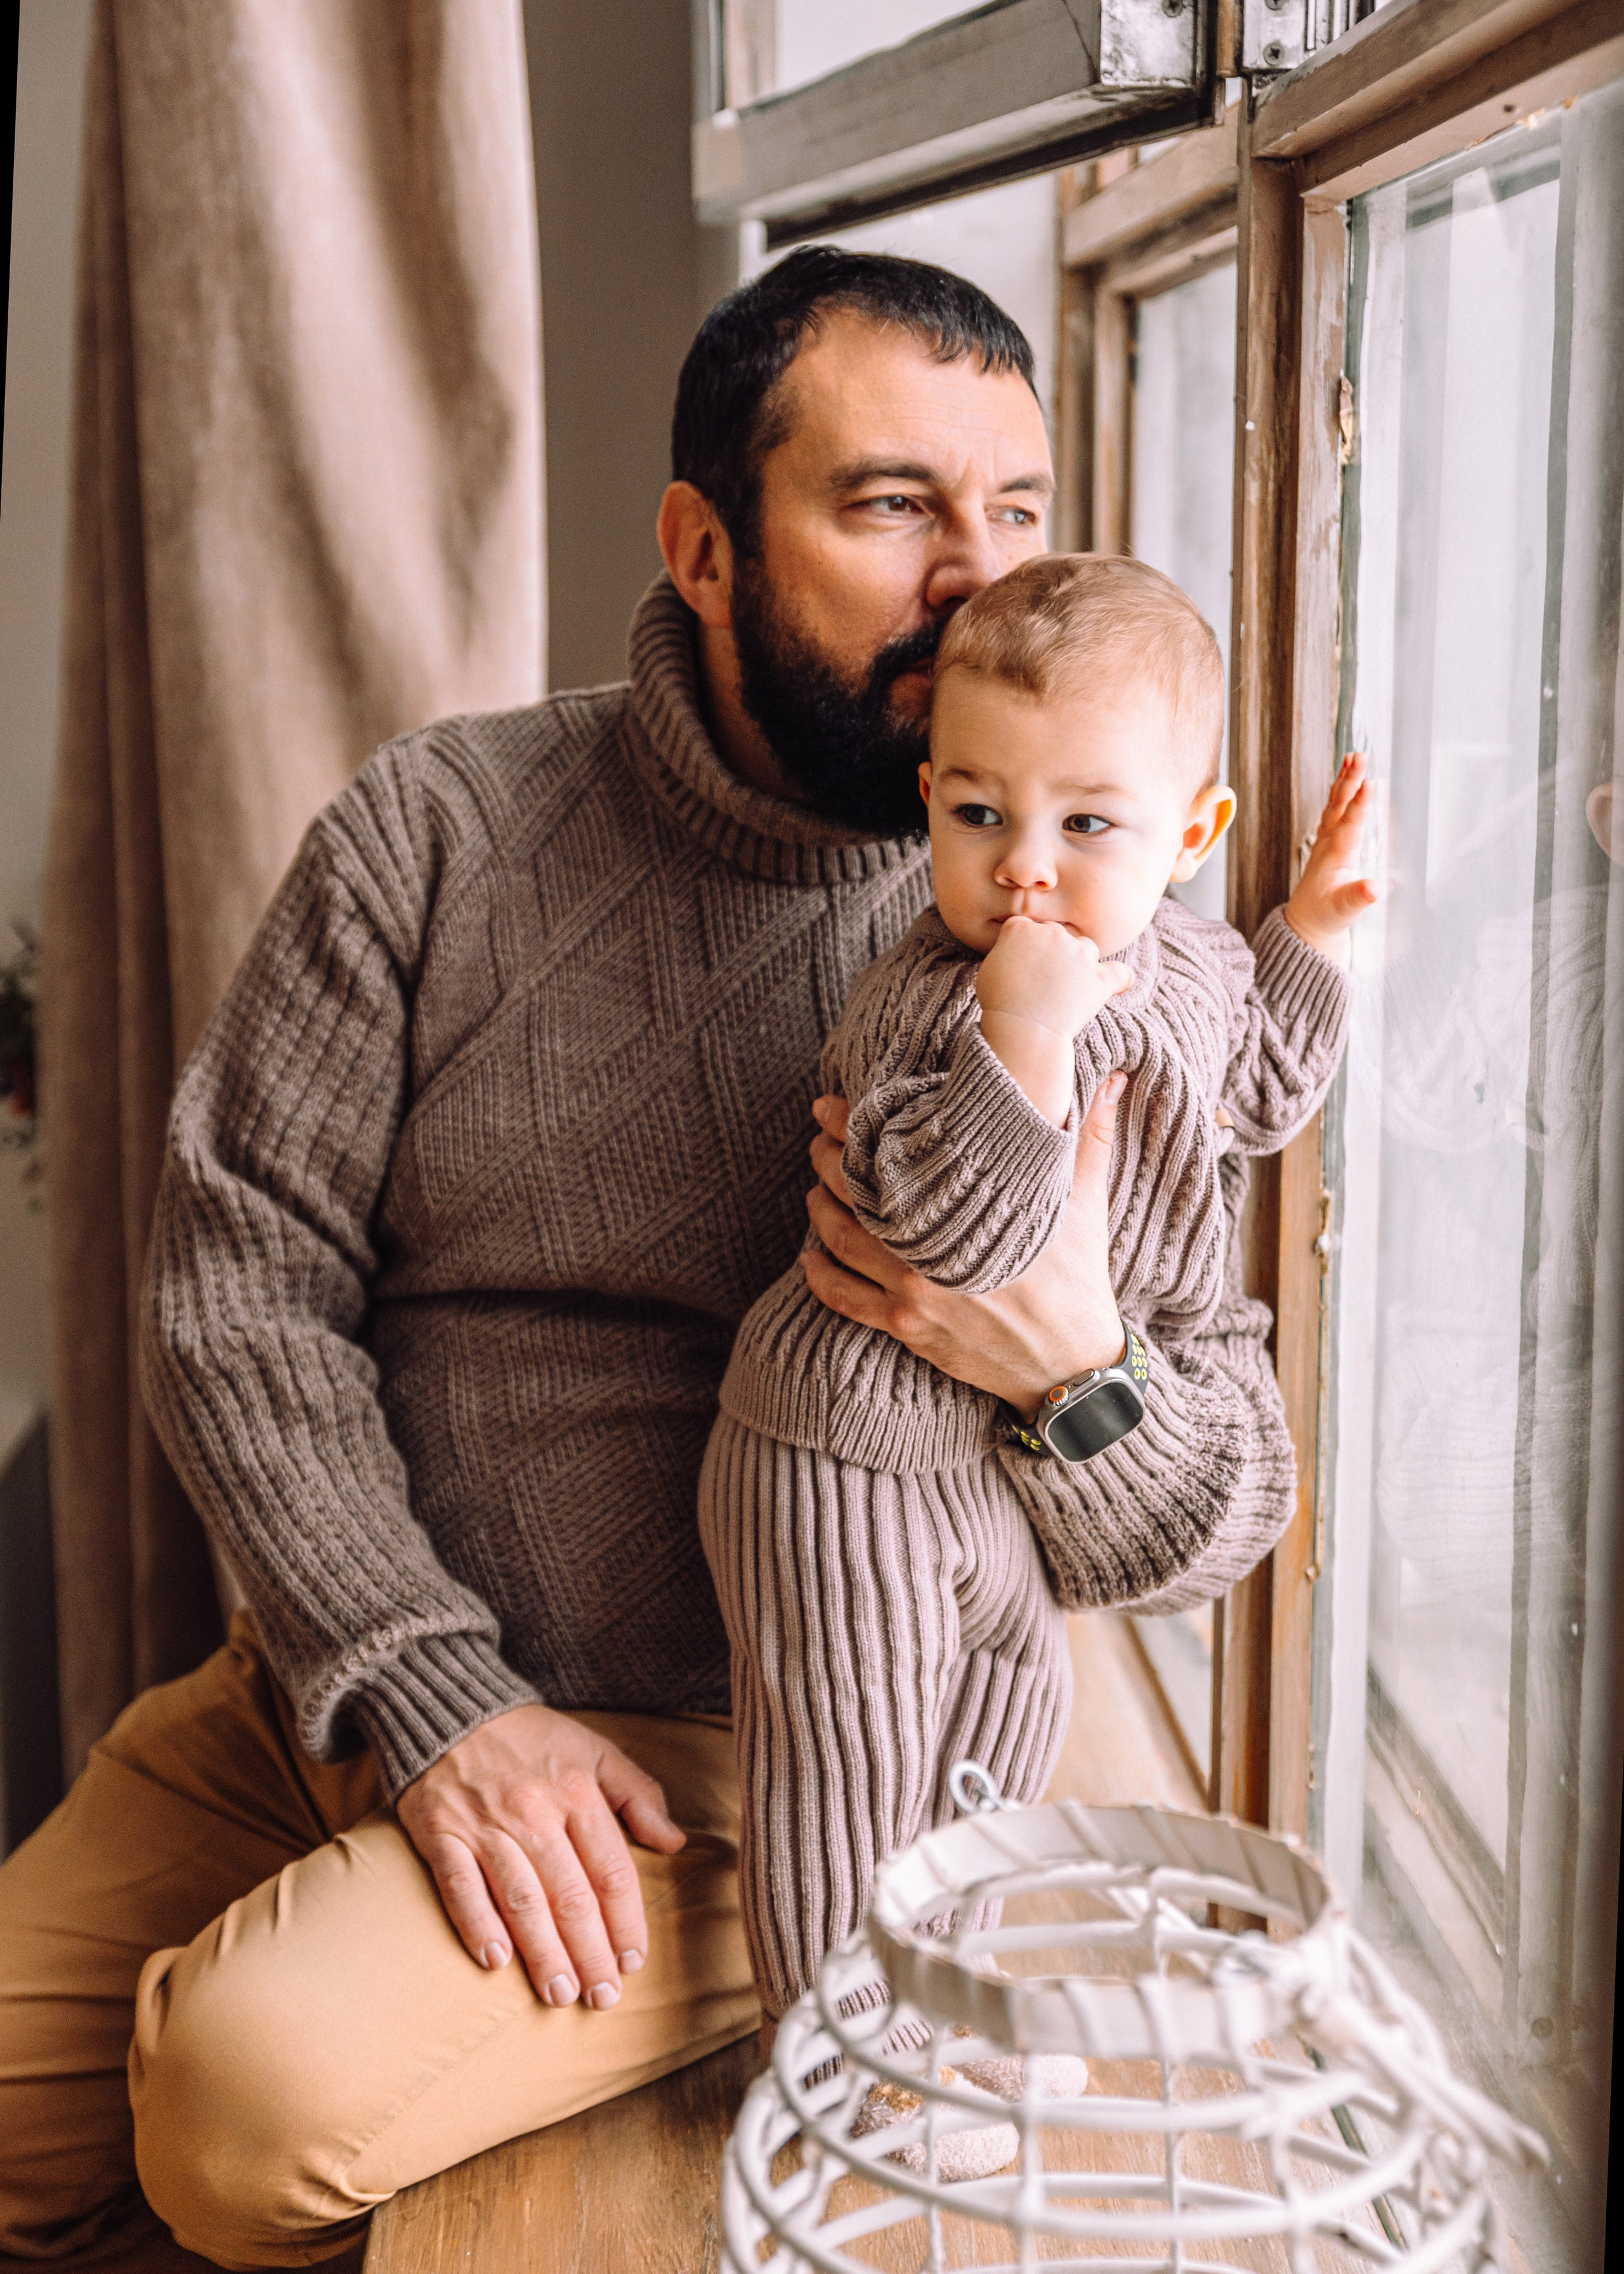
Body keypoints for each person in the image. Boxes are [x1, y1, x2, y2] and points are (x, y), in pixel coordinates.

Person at [0, 248, 1304, 2273]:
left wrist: (1068, 1361)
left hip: (748, 1763)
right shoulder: (440, 827)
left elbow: (1218, 1509)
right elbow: (236, 1283)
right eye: (895, 506)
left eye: (1018, 508)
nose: (977, 576)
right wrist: (426, 1691)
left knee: (241, 2114)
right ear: (705, 548)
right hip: (343, 1682)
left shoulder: (1098, 938)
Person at [700, 550, 1373, 2034]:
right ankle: (835, 2071)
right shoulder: (933, 998)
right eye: (978, 814)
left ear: (1189, 835)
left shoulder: (1190, 961)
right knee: (849, 1777)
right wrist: (1020, 1038)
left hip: (981, 1475)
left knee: (1003, 1728)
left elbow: (1256, 1091)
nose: (1023, 865)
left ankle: (944, 2031)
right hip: (841, 1459)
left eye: (1085, 824)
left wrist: (1311, 941)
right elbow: (950, 1236)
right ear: (928, 798)